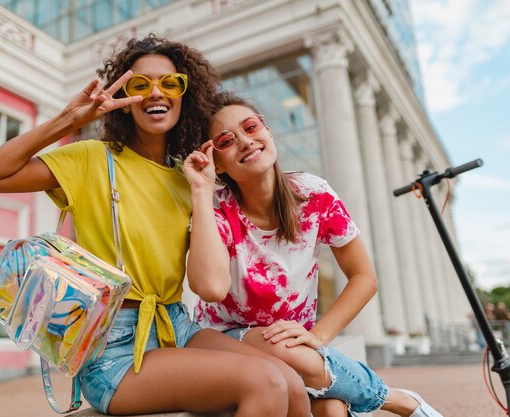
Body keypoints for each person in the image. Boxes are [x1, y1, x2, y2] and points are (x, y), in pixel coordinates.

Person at [0, 34, 315, 417]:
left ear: (186, 93)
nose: (155, 93)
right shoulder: (92, 158)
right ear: (124, 100)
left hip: (178, 328)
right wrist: (70, 119)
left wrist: (201, 191)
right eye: (139, 84)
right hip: (113, 347)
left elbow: (212, 287)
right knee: (264, 382)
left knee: (291, 383)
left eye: (169, 83)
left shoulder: (191, 177)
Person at [182, 91, 444, 417]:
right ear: (216, 162)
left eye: (251, 127)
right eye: (226, 140)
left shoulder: (314, 194)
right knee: (283, 348)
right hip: (222, 339)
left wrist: (318, 336)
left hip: (295, 345)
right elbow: (209, 288)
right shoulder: (215, 207)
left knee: (332, 410)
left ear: (268, 131)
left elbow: (364, 278)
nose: (246, 141)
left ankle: (370, 394)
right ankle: (396, 399)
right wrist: (201, 192)